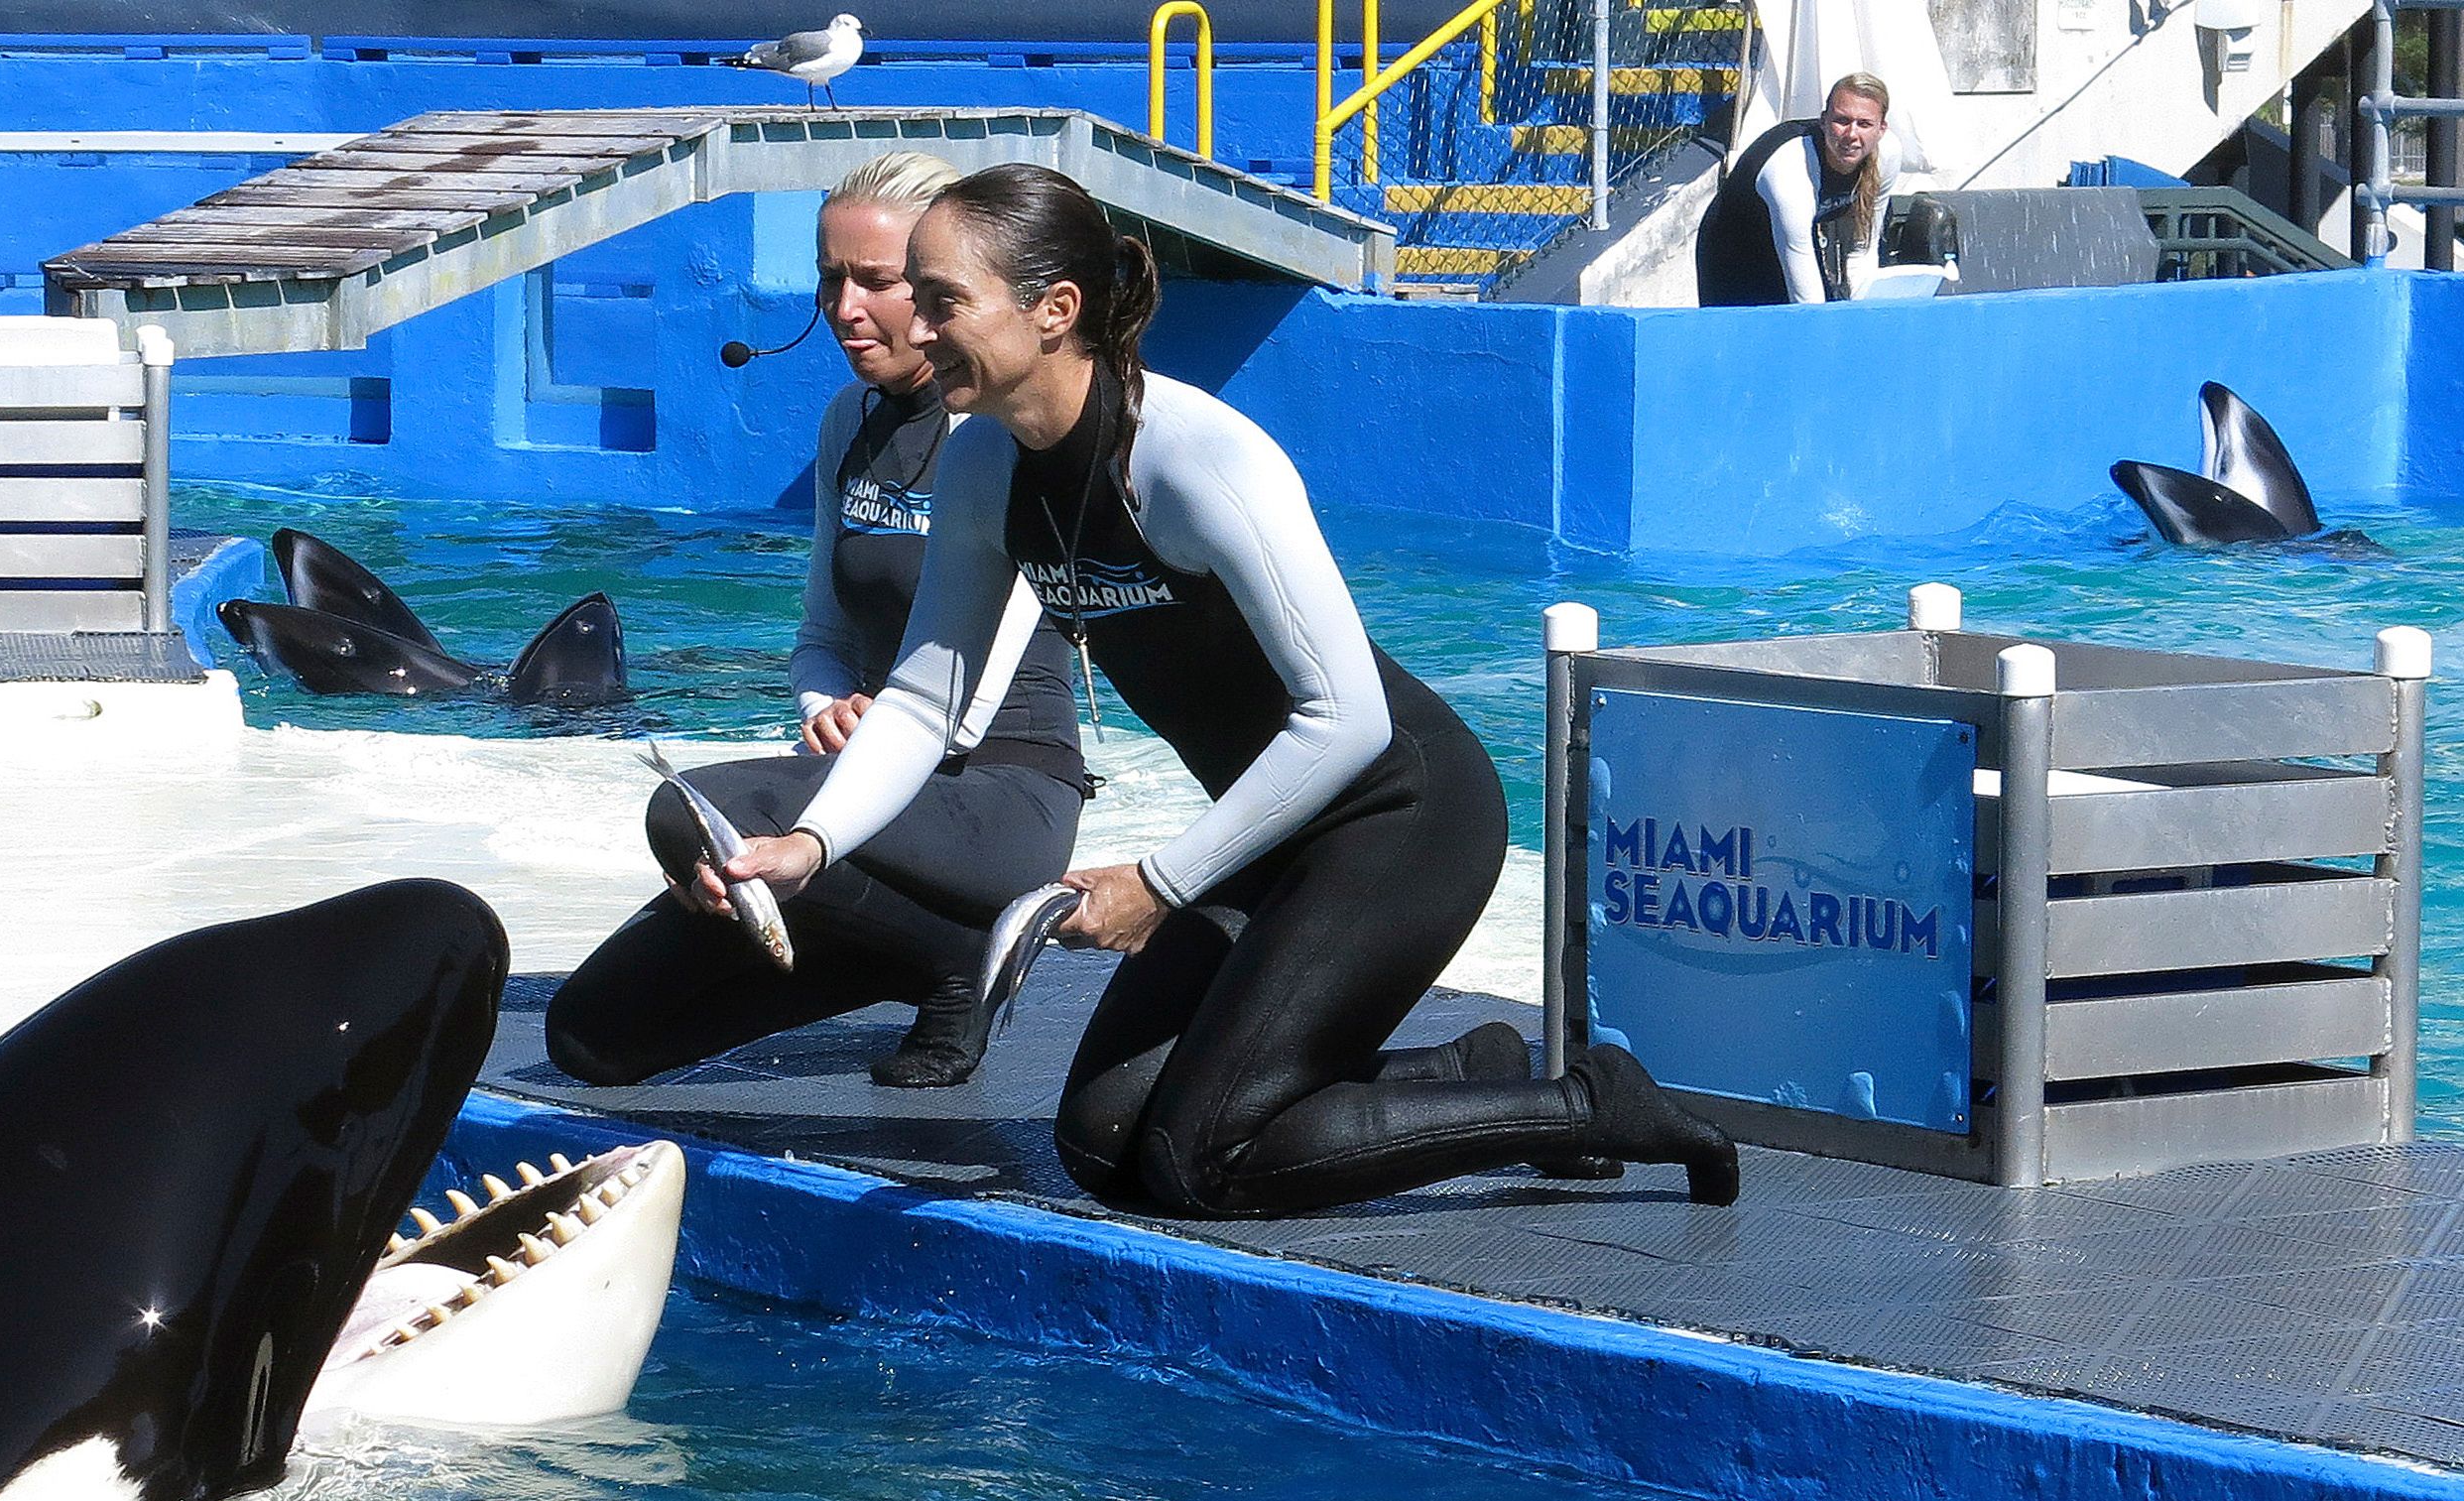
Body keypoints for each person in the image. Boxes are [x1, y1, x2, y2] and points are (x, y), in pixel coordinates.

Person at [704, 163, 1738, 1218]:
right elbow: (924, 701)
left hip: (1397, 818)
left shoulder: (1193, 459)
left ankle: (1585, 1104)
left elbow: (1348, 719)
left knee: (1203, 1161)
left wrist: (1159, 881)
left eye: (942, 302)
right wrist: (808, 845)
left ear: (1052, 309)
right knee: (1105, 1145)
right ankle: (1467, 1069)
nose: (916, 331)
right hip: (1267, 833)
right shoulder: (986, 465)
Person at [544, 152, 1086, 1091]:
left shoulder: (1004, 432)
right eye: (831, 278)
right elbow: (821, 633)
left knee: (692, 809)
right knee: (592, 1037)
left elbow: (984, 668)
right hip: (868, 792)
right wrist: (826, 702)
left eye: (877, 282)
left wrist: (883, 736)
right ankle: (919, 950)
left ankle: (962, 946)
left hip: (999, 795)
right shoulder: (850, 422)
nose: (845, 308)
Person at [1694, 74, 1889, 307]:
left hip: (1796, 238)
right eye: (1842, 121)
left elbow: (1862, 250)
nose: (1851, 135)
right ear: (1824, 121)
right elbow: (1808, 307)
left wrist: (1863, 315)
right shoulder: (1790, 166)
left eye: (1864, 124)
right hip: (1734, 248)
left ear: (1881, 129)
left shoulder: (1887, 157)